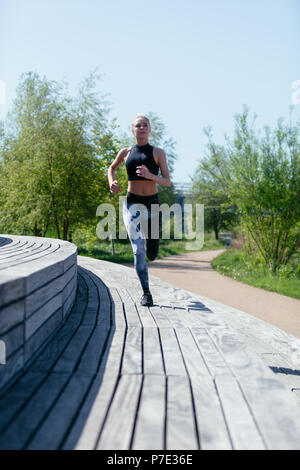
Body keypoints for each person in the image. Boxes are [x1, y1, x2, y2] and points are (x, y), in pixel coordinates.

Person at [108, 114, 171, 306]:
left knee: (151, 252)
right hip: (131, 203)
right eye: (138, 125)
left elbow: (167, 182)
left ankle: (153, 246)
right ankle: (146, 292)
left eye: (145, 125)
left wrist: (150, 175)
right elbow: (111, 168)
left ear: (149, 129)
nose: (142, 128)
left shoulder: (158, 153)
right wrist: (112, 182)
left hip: (152, 204)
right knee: (137, 249)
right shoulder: (126, 152)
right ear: (132, 130)